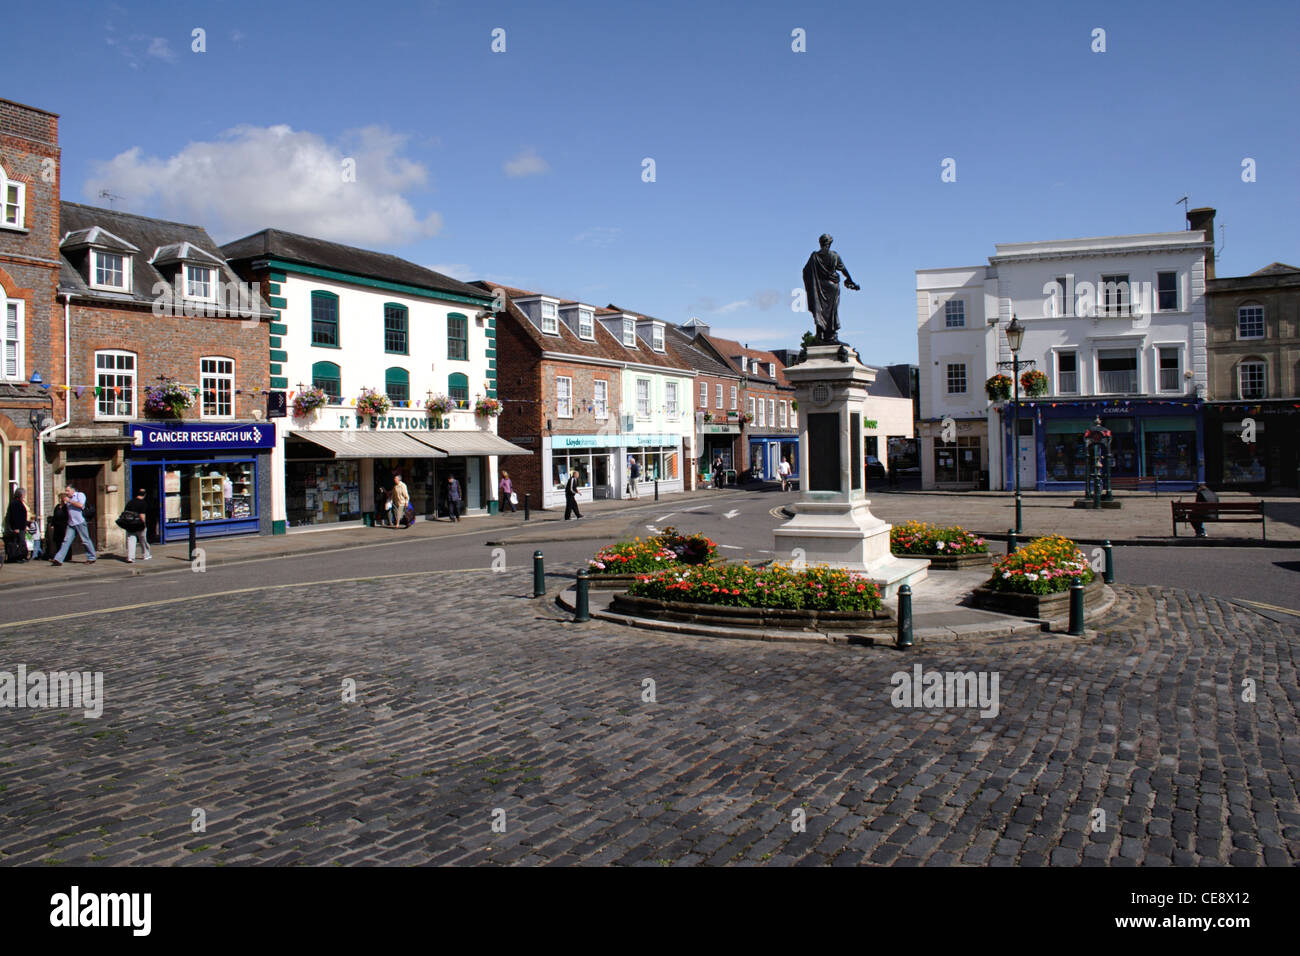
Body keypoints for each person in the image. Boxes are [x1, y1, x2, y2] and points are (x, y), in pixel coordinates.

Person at [802, 233, 860, 345]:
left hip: (818, 287)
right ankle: (831, 336)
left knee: (819, 310)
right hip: (832, 287)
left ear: (821, 243)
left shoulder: (814, 256)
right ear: (829, 243)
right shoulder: (834, 255)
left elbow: (805, 271)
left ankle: (820, 335)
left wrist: (812, 282)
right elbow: (844, 270)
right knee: (832, 312)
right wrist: (851, 281)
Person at [51, 485, 95, 566]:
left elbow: (81, 505)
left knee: (85, 540)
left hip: (80, 522)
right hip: (71, 523)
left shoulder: (80, 495)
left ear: (73, 490)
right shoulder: (68, 499)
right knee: (66, 541)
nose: (66, 492)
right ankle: (58, 559)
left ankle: (91, 557)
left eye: (68, 491)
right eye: (66, 491)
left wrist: (69, 501)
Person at [122, 488, 152, 563]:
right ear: (145, 495)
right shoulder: (143, 503)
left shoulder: (130, 502)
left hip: (130, 524)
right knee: (143, 539)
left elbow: (125, 513)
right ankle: (146, 555)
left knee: (131, 540)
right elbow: (142, 515)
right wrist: (144, 524)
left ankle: (131, 557)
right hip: (139, 524)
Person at [5, 488, 31, 562]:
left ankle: (21, 556)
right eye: (24, 494)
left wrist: (26, 524)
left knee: (21, 542)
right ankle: (17, 557)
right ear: (20, 495)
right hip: (18, 527)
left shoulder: (19, 502)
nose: (24, 496)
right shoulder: (15, 503)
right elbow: (14, 517)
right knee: (19, 542)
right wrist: (15, 528)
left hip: (21, 526)